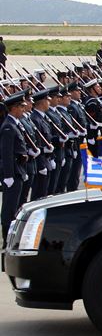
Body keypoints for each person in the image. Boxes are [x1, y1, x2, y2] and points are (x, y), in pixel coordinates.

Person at [1, 92, 30, 244]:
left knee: (16, 207)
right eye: (21, 107)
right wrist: (8, 175)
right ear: (13, 108)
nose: (23, 110)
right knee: (9, 209)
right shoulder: (8, 127)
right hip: (13, 173)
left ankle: (12, 237)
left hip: (19, 170)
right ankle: (7, 239)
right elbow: (6, 153)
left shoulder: (14, 124)